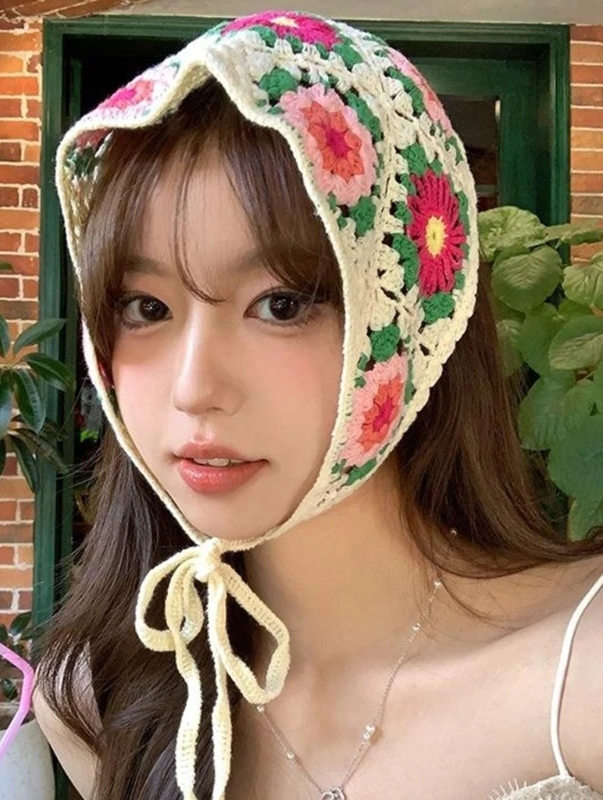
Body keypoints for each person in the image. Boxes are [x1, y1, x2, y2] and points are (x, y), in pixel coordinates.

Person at [34, 11, 603, 800]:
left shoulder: (581, 672)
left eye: (281, 303)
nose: (194, 388)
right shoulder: (99, 698)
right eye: (145, 308)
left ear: (405, 318)